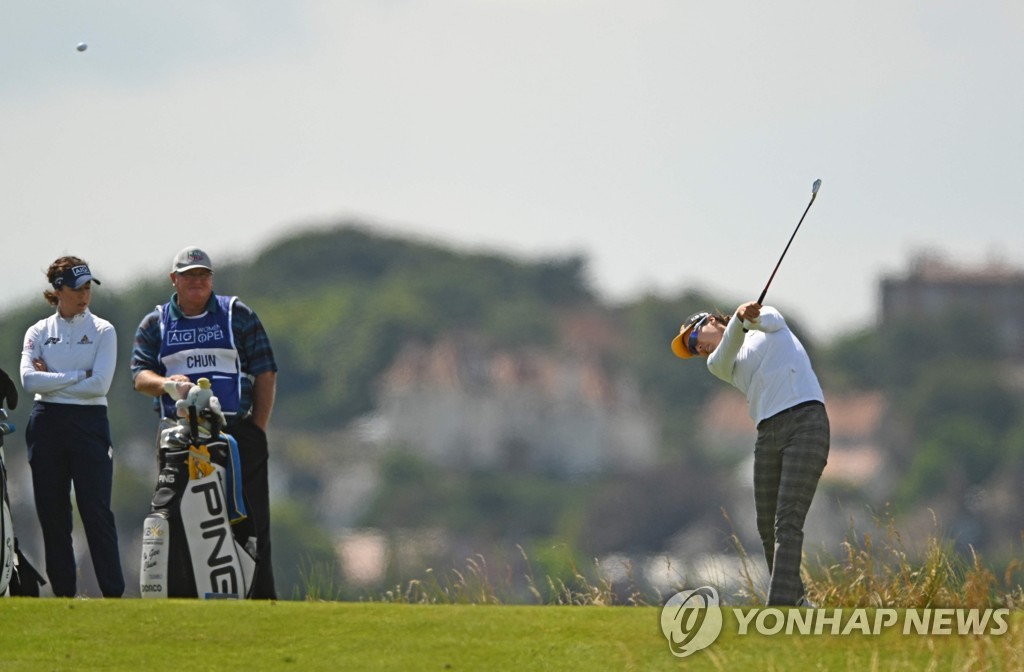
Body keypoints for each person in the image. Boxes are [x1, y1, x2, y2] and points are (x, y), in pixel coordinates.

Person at [130, 246, 279, 599]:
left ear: (211, 279)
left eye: (203, 275)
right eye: (189, 275)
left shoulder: (236, 313)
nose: (197, 281)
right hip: (178, 435)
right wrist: (168, 385)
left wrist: (256, 428)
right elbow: (139, 376)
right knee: (179, 513)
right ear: (174, 280)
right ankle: (183, 595)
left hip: (235, 431)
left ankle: (259, 597)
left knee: (251, 519)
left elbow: (265, 370)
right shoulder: (156, 322)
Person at [671, 301, 829, 607]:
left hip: (807, 423)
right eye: (691, 349)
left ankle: (782, 606)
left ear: (712, 320)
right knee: (766, 525)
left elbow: (769, 317)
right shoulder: (720, 362)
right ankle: (797, 602)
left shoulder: (770, 322)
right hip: (768, 432)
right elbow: (731, 342)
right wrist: (740, 320)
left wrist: (747, 315)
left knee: (787, 519)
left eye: (694, 336)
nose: (696, 348)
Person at [19, 256, 124, 598]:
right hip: (47, 422)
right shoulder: (38, 332)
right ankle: (64, 594)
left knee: (95, 510)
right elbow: (28, 379)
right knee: (53, 513)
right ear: (58, 290)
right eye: (77, 288)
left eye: (88, 287)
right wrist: (77, 375)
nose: (84, 295)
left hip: (89, 423)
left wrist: (52, 379)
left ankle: (113, 593)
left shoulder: (103, 331)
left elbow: (99, 386)